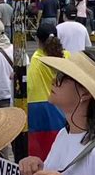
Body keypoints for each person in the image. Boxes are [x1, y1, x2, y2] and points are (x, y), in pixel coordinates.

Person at [27, 23, 67, 159]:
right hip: (62, 107)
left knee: (41, 155)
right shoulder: (65, 56)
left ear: (38, 40)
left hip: (39, 108)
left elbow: (30, 86)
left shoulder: (37, 58)